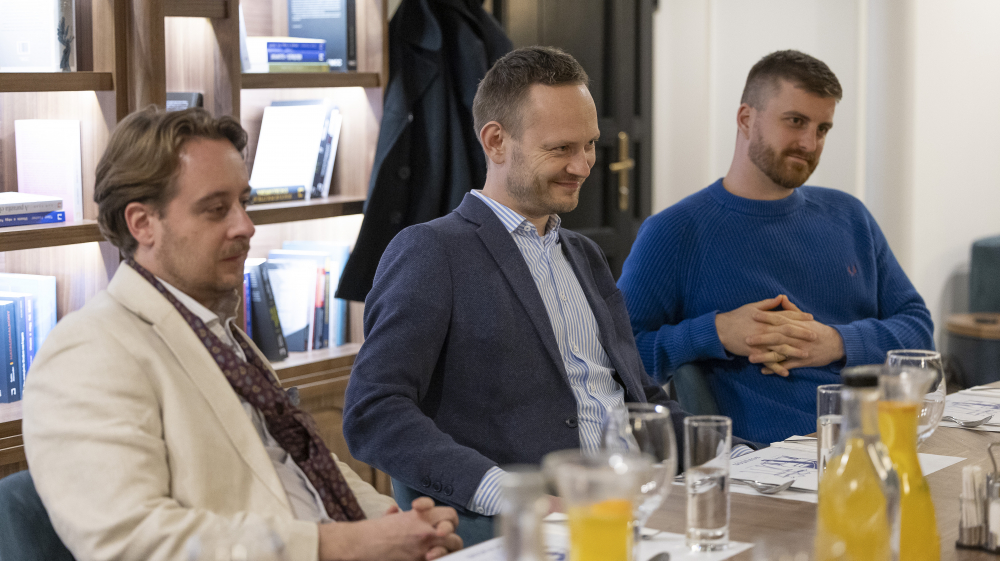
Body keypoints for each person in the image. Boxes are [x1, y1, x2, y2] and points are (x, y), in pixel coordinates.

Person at [22, 107, 462, 561]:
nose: (246, 227)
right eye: (216, 209)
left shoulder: (221, 335)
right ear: (142, 224)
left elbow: (302, 465)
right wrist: (346, 545)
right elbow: (133, 542)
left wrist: (394, 524)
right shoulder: (89, 351)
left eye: (243, 203)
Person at [342, 46, 693, 547]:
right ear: (496, 141)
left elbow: (639, 396)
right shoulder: (432, 251)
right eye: (561, 148)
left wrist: (733, 456)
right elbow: (373, 412)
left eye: (590, 145)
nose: (583, 165)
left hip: (641, 506)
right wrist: (516, 496)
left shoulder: (585, 255)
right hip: (530, 527)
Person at [618, 50, 934, 444]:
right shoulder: (674, 232)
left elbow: (920, 335)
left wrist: (837, 343)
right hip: (766, 462)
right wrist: (715, 332)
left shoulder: (850, 216)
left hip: (883, 440)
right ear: (746, 119)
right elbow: (617, 360)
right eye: (796, 121)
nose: (809, 143)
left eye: (822, 129)